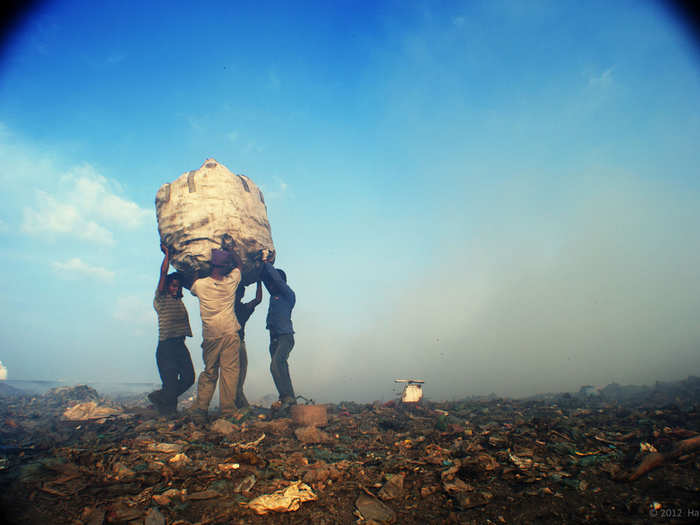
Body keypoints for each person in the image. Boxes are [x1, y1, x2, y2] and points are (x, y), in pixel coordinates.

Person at [189, 240, 244, 423]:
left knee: (210, 372)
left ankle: (201, 409)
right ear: (226, 266)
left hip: (211, 335)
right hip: (229, 332)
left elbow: (193, 281)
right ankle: (227, 411)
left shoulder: (200, 285)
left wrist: (198, 268)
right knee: (229, 372)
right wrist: (232, 250)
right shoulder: (231, 283)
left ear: (212, 265)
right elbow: (240, 265)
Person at [149, 243, 195, 416]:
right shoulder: (161, 299)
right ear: (167, 286)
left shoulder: (179, 301)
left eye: (177, 286)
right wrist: (167, 255)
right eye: (172, 285)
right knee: (170, 382)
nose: (175, 288)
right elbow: (162, 274)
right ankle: (167, 413)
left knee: (189, 378)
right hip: (166, 347)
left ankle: (160, 397)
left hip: (180, 345)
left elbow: (189, 281)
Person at [261, 253, 297, 410]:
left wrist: (267, 263)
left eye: (274, 283)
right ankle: (289, 399)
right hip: (274, 339)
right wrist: (260, 270)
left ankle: (286, 397)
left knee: (276, 365)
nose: (271, 285)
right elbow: (268, 281)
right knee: (281, 367)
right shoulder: (274, 296)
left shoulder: (288, 295)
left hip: (285, 337)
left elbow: (275, 279)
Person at [234, 281, 263, 409]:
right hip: (237, 343)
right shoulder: (242, 308)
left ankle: (236, 400)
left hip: (235, 343)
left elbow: (257, 299)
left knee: (235, 374)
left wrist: (259, 281)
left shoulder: (227, 306)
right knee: (239, 374)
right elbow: (258, 299)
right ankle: (237, 401)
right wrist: (259, 281)